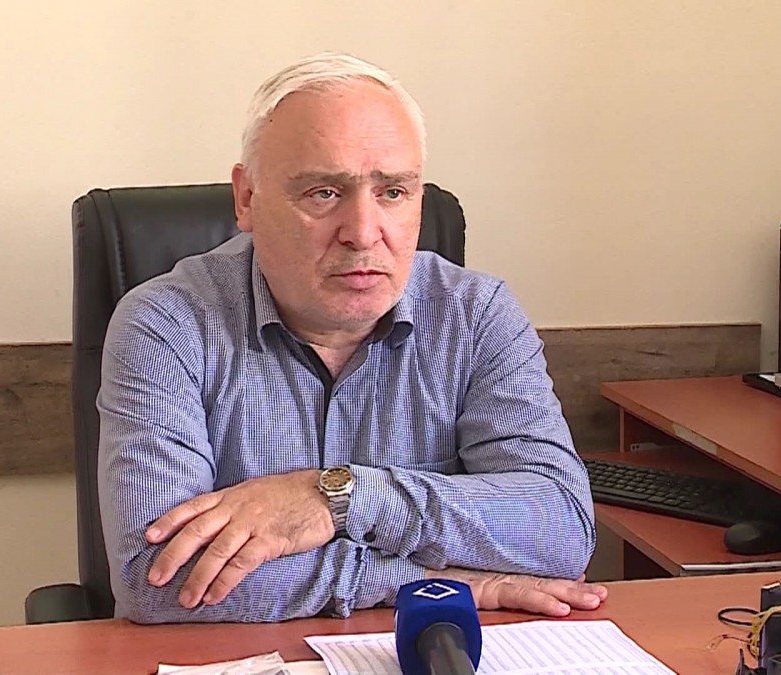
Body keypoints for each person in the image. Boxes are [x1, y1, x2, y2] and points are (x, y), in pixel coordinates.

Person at [96, 52, 605, 624]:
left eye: (393, 192)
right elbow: (157, 578)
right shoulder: (167, 325)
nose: (363, 233)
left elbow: (561, 531)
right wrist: (427, 580)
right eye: (323, 193)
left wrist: (339, 496)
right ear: (247, 199)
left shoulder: (476, 315)